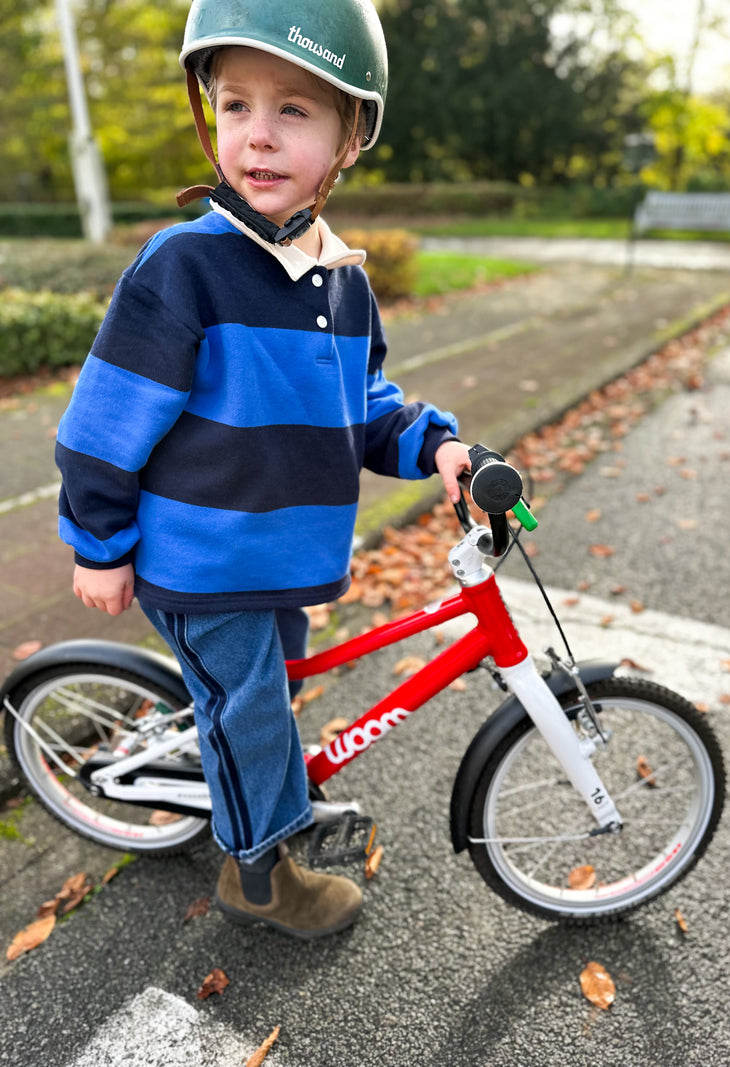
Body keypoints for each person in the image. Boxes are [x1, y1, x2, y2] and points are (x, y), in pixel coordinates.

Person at [55, 0, 470, 940]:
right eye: (236, 104)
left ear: (348, 137)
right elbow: (101, 424)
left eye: (295, 111)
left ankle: (249, 781)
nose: (259, 135)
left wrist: (439, 447)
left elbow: (363, 410)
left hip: (278, 555)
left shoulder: (339, 277)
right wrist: (99, 542)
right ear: (210, 116)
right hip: (202, 558)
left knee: (265, 694)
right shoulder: (185, 266)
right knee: (249, 705)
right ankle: (258, 874)